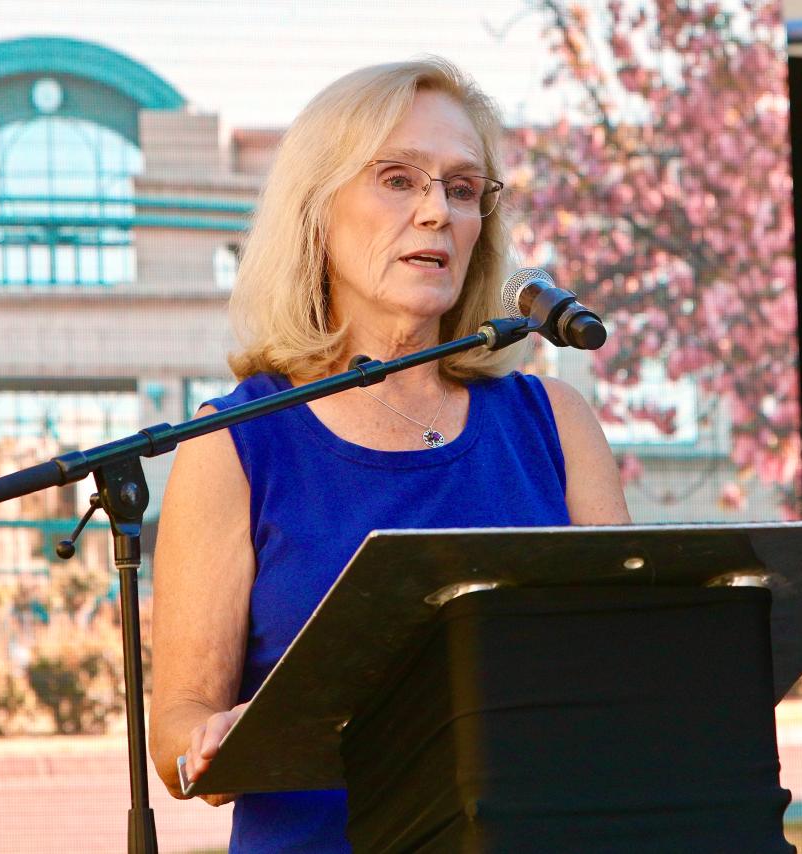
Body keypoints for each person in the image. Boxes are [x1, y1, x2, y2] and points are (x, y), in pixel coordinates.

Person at [149, 57, 630, 852]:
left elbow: (639, 657)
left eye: (462, 188)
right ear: (317, 212)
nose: (437, 212)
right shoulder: (234, 444)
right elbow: (179, 725)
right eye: (399, 180)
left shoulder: (556, 422)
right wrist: (211, 742)